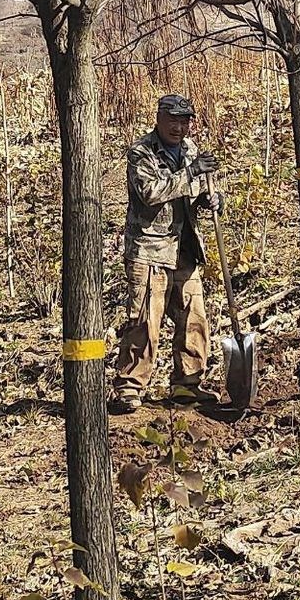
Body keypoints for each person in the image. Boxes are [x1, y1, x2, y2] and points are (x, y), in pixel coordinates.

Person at [110, 93, 218, 414]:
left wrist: (211, 199)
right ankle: (129, 386)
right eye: (173, 120)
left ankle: (187, 385)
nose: (179, 127)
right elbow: (150, 193)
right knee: (145, 321)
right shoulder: (141, 153)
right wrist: (189, 175)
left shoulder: (190, 151)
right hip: (150, 250)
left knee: (193, 318)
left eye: (184, 121)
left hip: (184, 248)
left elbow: (195, 191)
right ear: (159, 118)